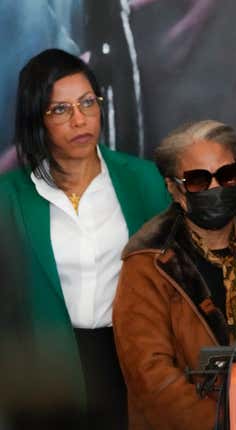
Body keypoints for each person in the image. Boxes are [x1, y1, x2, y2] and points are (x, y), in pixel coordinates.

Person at [0, 48, 170, 428]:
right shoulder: (9, 197)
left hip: (129, 363)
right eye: (60, 109)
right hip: (44, 375)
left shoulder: (142, 180)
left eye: (87, 103)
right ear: (36, 119)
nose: (79, 119)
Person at [112, 120, 236, 430]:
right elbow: (151, 378)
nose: (215, 188)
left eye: (226, 175)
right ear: (175, 189)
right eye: (198, 180)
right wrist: (228, 424)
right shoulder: (147, 263)